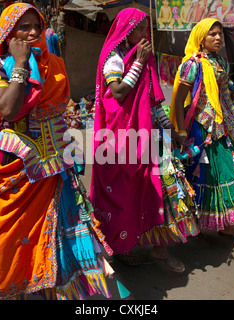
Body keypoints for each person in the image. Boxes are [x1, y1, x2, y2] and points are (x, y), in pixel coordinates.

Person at [0, 3, 111, 300]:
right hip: (15, 168)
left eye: (36, 27)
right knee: (1, 237)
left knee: (53, 233)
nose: (31, 33)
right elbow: (9, 109)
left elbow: (63, 105)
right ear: (7, 32)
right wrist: (20, 63)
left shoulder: (54, 63)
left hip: (55, 164)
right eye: (23, 27)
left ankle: (47, 285)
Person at [90, 8, 199, 272]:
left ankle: (160, 247)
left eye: (146, 28)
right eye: (140, 28)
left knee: (164, 191)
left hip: (151, 138)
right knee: (126, 196)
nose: (145, 34)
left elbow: (153, 103)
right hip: (122, 141)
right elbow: (118, 94)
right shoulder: (113, 59)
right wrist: (138, 62)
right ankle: (120, 246)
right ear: (127, 32)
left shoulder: (147, 61)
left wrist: (170, 129)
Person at [169, 18, 234, 251]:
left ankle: (227, 228)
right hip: (199, 128)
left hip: (222, 128)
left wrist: (233, 127)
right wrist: (179, 131)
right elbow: (179, 99)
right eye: (212, 34)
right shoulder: (192, 65)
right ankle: (195, 226)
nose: (218, 38)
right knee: (201, 178)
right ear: (201, 38)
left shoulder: (221, 62)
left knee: (232, 173)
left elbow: (225, 94)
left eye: (220, 34)